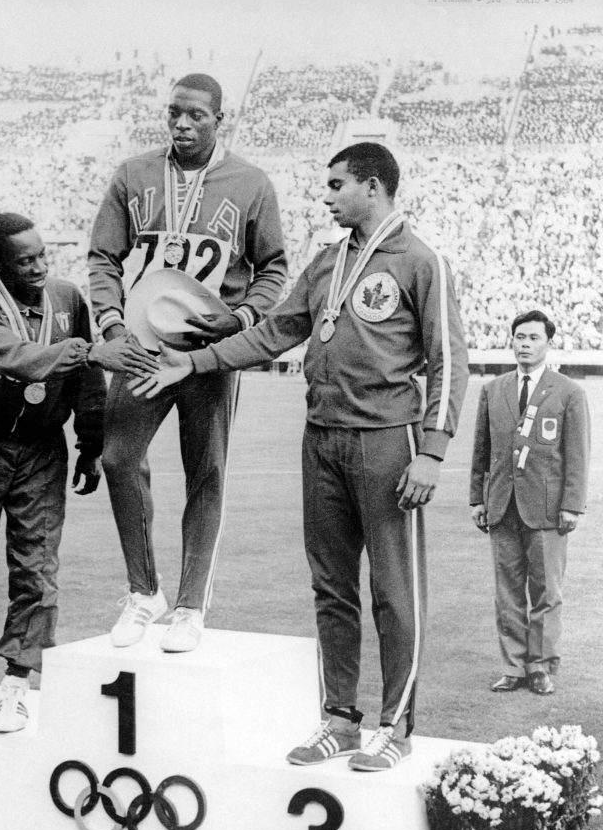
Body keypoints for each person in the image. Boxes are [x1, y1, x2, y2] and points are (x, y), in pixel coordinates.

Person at [129, 142, 469, 771]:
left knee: (394, 591)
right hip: (321, 438)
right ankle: (339, 720)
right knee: (331, 587)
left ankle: (396, 727)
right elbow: (274, 332)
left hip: (387, 441)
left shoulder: (421, 262)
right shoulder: (327, 262)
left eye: (337, 185)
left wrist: (433, 452)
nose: (327, 195)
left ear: (373, 186)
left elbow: (449, 362)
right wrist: (195, 362)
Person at [0, 212, 157, 733]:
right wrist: (90, 350)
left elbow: (87, 381)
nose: (38, 268)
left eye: (42, 256)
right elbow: (20, 358)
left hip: (40, 450)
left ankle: (17, 682)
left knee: (37, 568)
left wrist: (90, 444)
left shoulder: (68, 298)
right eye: (24, 261)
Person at [88, 72, 287, 653]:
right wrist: (113, 324)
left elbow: (273, 267)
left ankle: (190, 606)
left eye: (196, 114)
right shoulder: (134, 174)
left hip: (209, 353)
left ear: (219, 120)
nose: (181, 123)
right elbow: (103, 257)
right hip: (142, 345)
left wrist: (241, 317)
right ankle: (143, 591)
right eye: (174, 112)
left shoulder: (251, 183)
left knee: (206, 472)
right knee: (118, 458)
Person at [470, 310, 590, 696]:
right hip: (502, 506)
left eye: (534, 338)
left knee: (546, 593)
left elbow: (577, 455)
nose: (525, 344)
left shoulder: (569, 392)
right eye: (520, 337)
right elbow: (482, 451)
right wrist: (477, 499)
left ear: (548, 343)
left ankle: (540, 666)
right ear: (512, 340)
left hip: (547, 510)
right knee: (507, 592)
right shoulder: (493, 389)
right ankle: (513, 666)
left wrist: (572, 505)